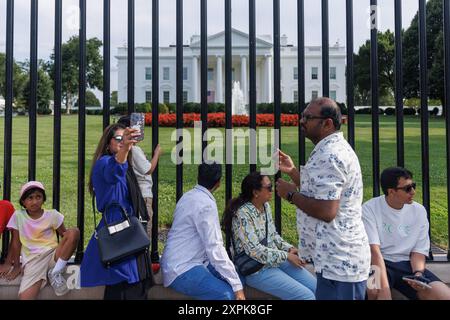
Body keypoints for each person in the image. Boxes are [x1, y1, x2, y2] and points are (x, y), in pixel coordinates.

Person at [276, 97, 371, 300]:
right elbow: (322, 191)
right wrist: (293, 172)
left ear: (327, 123)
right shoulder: (328, 149)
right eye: (302, 116)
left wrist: (291, 194)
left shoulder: (330, 154)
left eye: (308, 117)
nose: (302, 121)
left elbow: (327, 211)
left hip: (341, 262)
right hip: (332, 261)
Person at [80, 123, 153, 300]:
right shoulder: (104, 163)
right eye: (118, 139)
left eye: (125, 138)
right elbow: (114, 171)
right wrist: (126, 147)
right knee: (126, 283)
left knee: (128, 285)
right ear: (107, 143)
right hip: (118, 230)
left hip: (126, 229)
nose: (122, 142)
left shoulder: (123, 163)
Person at [222, 171, 316, 300]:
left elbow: (273, 236)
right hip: (256, 270)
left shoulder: (265, 206)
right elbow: (254, 250)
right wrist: (286, 255)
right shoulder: (242, 214)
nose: (272, 190)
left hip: (274, 260)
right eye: (269, 187)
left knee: (317, 287)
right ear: (255, 192)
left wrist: (289, 249)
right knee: (305, 296)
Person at [362, 167, 450, 300]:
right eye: (407, 188)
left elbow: (418, 251)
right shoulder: (369, 209)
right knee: (373, 291)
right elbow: (374, 251)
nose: (413, 192)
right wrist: (384, 289)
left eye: (413, 186)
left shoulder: (419, 211)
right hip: (377, 264)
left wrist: (418, 274)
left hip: (407, 265)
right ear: (391, 191)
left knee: (444, 295)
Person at [160, 162, 245, 300]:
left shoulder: (187, 196)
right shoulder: (206, 205)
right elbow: (215, 247)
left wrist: (236, 283)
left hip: (193, 261)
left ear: (198, 177)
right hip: (182, 268)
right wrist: (237, 288)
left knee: (239, 279)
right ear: (218, 183)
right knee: (226, 295)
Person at [0, 181, 80, 300]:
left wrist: (68, 246)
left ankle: (56, 272)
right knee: (25, 297)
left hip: (53, 255)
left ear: (43, 199)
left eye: (38, 197)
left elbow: (66, 236)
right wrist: (15, 265)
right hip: (33, 261)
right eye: (30, 198)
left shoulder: (53, 215)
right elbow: (16, 242)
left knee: (74, 232)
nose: (35, 201)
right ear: (23, 202)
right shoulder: (18, 216)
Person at [117, 115, 162, 242]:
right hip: (143, 196)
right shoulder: (134, 150)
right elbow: (148, 169)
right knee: (145, 230)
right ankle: (144, 258)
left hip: (134, 195)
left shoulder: (122, 150)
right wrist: (157, 154)